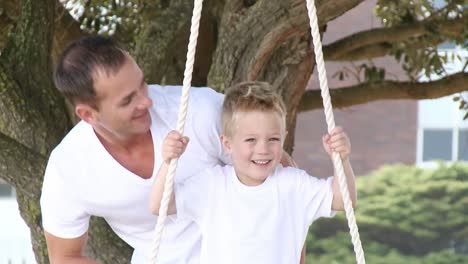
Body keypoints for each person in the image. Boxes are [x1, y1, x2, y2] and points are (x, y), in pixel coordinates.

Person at [40, 36, 297, 264]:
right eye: (128, 100)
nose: (147, 101)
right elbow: (64, 257)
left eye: (142, 84)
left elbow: (284, 181)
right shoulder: (68, 169)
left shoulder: (200, 112)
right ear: (89, 114)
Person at [150, 81, 357, 263]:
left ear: (284, 138)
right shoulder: (213, 185)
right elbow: (160, 205)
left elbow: (343, 199)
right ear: (227, 144)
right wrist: (168, 162)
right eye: (251, 140)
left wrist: (342, 160)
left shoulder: (293, 185)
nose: (263, 149)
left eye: (273, 139)